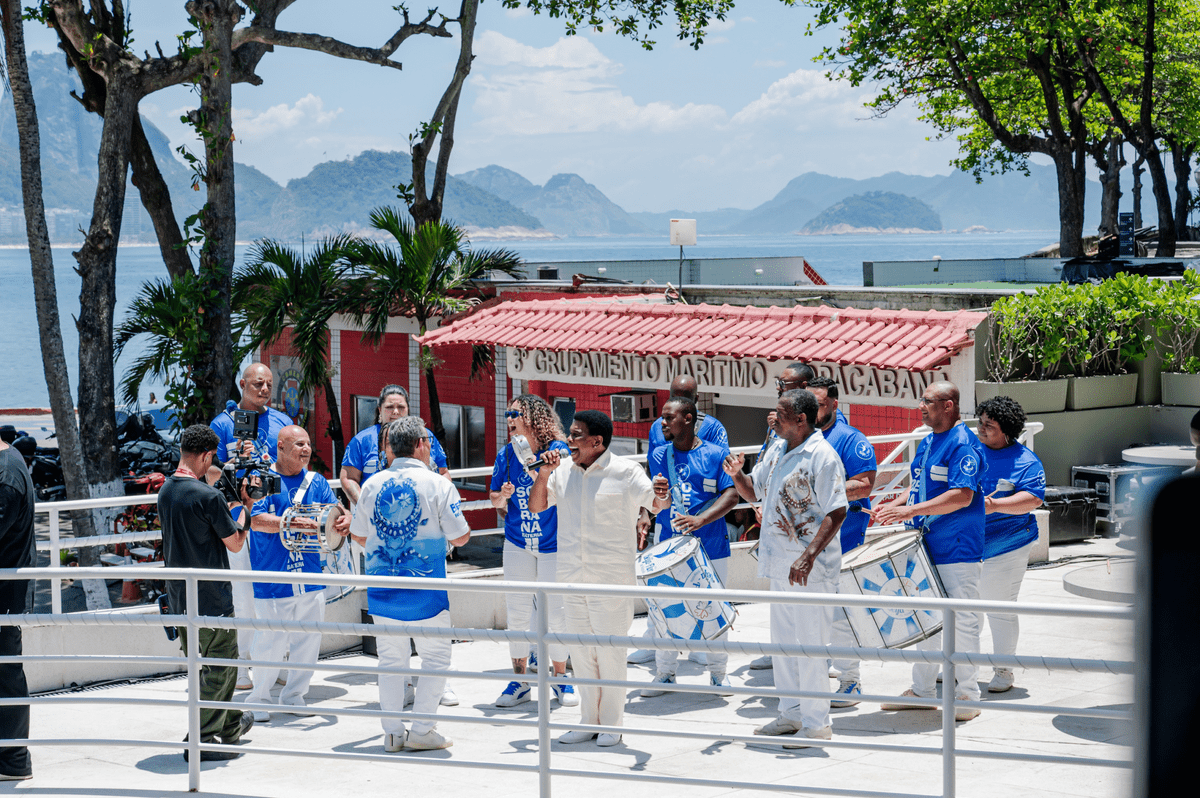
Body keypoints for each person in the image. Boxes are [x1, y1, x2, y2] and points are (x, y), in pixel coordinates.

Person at [529, 410, 669, 746]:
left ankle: (612, 724)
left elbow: (657, 503)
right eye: (570, 434)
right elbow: (537, 507)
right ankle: (587, 720)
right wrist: (544, 473)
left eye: (576, 435)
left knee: (609, 653)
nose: (569, 441)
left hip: (610, 579)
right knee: (581, 652)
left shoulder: (625, 472)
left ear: (597, 441)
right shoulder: (562, 471)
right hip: (572, 577)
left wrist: (663, 492)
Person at [724, 389, 847, 748]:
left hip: (811, 570)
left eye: (780, 413)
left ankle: (817, 723)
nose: (772, 418)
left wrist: (808, 555)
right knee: (784, 645)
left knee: (810, 647)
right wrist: (737, 474)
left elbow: (837, 510)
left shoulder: (822, 456)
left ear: (800, 420)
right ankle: (791, 713)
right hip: (780, 565)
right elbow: (753, 493)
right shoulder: (777, 450)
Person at [350, 416, 470, 752]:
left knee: (390, 660)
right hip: (426, 587)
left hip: (383, 587)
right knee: (435, 658)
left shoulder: (372, 484)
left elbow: (358, 534)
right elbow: (460, 537)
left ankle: (392, 733)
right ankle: (422, 730)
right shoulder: (438, 484)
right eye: (429, 442)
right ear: (421, 444)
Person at [874, 381, 984, 722]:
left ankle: (968, 694)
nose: (921, 406)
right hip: (923, 547)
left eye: (928, 401)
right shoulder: (927, 441)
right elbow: (919, 484)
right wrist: (898, 503)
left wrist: (910, 511)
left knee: (962, 622)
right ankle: (922, 692)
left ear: (948, 406)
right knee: (924, 619)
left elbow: (962, 496)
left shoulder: (964, 444)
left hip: (957, 548)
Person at [159, 425, 252, 761]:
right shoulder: (209, 497)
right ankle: (203, 738)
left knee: (205, 667)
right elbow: (236, 543)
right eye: (212, 458)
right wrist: (247, 508)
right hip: (212, 600)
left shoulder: (166, 491)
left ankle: (230, 725)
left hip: (180, 599)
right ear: (204, 455)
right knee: (222, 667)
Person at [244, 426, 349, 721]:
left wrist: (345, 517)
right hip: (274, 575)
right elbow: (257, 519)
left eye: (308, 444)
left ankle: (294, 696)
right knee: (269, 641)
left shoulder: (315, 480)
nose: (306, 449)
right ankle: (259, 699)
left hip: (310, 574)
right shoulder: (264, 479)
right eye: (299, 444)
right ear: (280, 446)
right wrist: (293, 523)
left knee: (308, 640)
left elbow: (334, 510)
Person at [640, 396, 739, 697]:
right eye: (662, 417)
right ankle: (666, 674)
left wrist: (700, 520)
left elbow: (732, 495)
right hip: (670, 547)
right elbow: (658, 503)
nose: (663, 422)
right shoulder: (659, 454)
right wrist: (656, 500)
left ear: (689, 419)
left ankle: (719, 676)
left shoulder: (716, 453)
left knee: (715, 611)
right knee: (663, 610)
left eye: (669, 417)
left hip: (711, 544)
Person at [631, 376, 729, 665]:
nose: (664, 421)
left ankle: (705, 650)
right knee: (663, 591)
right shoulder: (657, 431)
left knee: (706, 593)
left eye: (684, 396)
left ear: (695, 403)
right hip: (668, 520)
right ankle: (656, 643)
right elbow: (656, 477)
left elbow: (720, 477)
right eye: (673, 394)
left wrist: (700, 517)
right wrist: (646, 511)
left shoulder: (714, 429)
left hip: (705, 524)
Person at [489, 395, 576, 708]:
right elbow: (495, 499)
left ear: (536, 418)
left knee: (557, 616)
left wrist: (535, 468)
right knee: (517, 615)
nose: (510, 418)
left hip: (554, 544)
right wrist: (503, 496)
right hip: (517, 542)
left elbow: (564, 487)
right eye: (507, 413)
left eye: (516, 413)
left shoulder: (559, 451)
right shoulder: (506, 454)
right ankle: (520, 681)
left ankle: (562, 680)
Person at [209, 362, 292, 691]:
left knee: (277, 594)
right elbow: (210, 471)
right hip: (240, 522)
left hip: (274, 522)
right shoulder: (223, 424)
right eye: (258, 384)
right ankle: (243, 664)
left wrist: (271, 466)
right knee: (242, 597)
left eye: (269, 384)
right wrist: (234, 466)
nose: (265, 390)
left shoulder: (283, 422)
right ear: (242, 384)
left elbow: (295, 466)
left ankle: (280, 661)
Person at [806, 377, 877, 707]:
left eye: (819, 405)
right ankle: (817, 677)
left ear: (835, 404)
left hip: (843, 540)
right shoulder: (800, 437)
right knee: (813, 615)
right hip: (808, 542)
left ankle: (850, 682)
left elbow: (864, 484)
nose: (812, 411)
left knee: (841, 614)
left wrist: (820, 489)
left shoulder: (851, 439)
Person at [975, 396, 1045, 694]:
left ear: (1006, 431)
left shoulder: (1025, 461)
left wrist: (993, 505)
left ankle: (1003, 669)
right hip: (968, 543)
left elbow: (1033, 499)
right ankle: (960, 663)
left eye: (989, 426)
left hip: (1007, 544)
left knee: (998, 606)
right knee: (963, 609)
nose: (981, 429)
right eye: (980, 422)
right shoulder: (969, 450)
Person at [340, 385, 450, 506]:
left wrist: (443, 500)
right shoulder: (361, 441)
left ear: (408, 410)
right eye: (389, 407)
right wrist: (365, 506)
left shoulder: (425, 436)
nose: (396, 412)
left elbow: (443, 473)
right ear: (379, 410)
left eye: (401, 407)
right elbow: (349, 478)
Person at [0, 437, 35, 780]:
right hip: (6, 592)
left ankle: (12, 759)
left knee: (6, 674)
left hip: (4, 596)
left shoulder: (7, 475)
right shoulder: (8, 463)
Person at [646, 376, 729, 456]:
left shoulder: (713, 427)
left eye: (685, 400)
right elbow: (651, 464)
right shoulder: (657, 426)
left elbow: (724, 464)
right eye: (675, 398)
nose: (678, 404)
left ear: (696, 399)